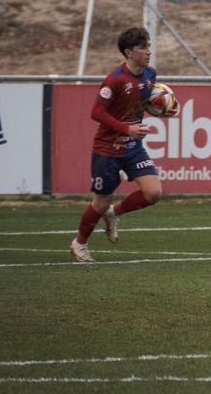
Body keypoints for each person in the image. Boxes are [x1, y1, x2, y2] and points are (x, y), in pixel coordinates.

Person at [70, 27, 172, 262]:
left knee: (153, 193)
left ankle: (114, 213)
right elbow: (96, 112)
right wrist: (127, 128)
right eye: (143, 47)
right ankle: (80, 243)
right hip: (107, 149)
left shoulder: (150, 75)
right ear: (128, 52)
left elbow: (141, 103)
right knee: (100, 201)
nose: (148, 51)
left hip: (133, 147)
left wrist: (160, 108)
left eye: (149, 46)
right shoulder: (115, 80)